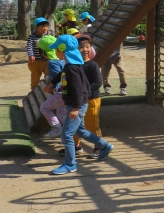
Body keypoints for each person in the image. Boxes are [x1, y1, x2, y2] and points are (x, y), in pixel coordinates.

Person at [44, 35, 113, 174]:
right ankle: (104, 146)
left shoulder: (72, 68)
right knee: (80, 131)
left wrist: (76, 108)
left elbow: (78, 89)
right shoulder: (71, 65)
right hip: (76, 104)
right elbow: (62, 74)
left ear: (62, 49)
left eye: (57, 49)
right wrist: (51, 84)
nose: (55, 52)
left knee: (66, 134)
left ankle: (70, 164)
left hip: (77, 105)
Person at [63, 34, 103, 158]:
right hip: (78, 100)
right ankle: (76, 145)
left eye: (87, 47)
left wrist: (85, 92)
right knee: (74, 125)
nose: (85, 49)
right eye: (81, 47)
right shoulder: (74, 64)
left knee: (92, 124)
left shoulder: (92, 65)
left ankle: (99, 147)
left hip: (92, 99)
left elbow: (98, 82)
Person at [37, 35, 66, 138]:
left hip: (61, 92)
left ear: (45, 52)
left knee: (44, 108)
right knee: (62, 114)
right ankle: (67, 133)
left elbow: (60, 76)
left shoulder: (52, 63)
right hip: (66, 93)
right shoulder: (63, 59)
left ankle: (57, 128)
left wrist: (51, 87)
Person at [26, 17, 50, 90]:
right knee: (35, 77)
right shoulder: (32, 37)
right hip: (35, 61)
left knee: (49, 76)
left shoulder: (47, 37)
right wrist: (31, 55)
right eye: (42, 26)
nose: (45, 28)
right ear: (36, 27)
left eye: (46, 26)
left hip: (46, 61)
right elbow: (29, 46)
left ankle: (49, 89)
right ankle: (34, 90)